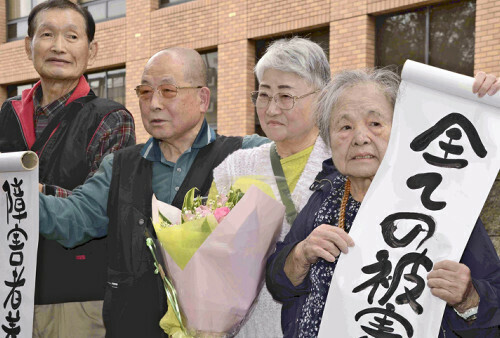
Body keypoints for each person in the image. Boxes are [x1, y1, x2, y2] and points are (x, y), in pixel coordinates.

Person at [38, 47, 268, 337]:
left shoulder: (244, 155)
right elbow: (72, 219)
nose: (154, 103)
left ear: (202, 99)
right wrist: (17, 195)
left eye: (168, 90)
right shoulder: (120, 166)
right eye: (145, 92)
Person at [266, 68, 500, 337]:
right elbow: (278, 283)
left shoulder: (439, 204)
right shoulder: (325, 195)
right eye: (344, 127)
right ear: (329, 140)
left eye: (375, 124)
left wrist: (469, 299)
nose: (360, 137)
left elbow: (493, 300)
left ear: (400, 129)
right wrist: (301, 254)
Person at [0, 0, 135, 337]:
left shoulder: (111, 118)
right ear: (27, 45)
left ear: (92, 49)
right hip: (8, 295)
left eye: (72, 37)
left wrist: (24, 191)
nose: (58, 47)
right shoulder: (6, 114)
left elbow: (97, 208)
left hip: (74, 298)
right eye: (46, 35)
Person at [212, 37, 331, 337]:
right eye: (263, 95)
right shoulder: (235, 168)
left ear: (322, 96)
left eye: (285, 96)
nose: (272, 108)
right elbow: (207, 252)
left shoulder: (343, 164)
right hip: (246, 329)